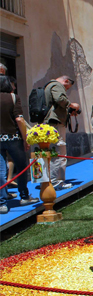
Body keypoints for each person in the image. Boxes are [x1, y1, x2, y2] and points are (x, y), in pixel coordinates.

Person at [0, 76, 38, 214]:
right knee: (21, 167)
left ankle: (2, 203)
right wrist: (25, 138)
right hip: (13, 138)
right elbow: (19, 119)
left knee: (0, 171)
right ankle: (24, 196)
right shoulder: (13, 98)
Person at [44, 75, 80, 190]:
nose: (66, 90)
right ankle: (57, 182)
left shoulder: (48, 86)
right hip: (56, 123)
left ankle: (48, 180)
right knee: (59, 152)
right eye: (67, 88)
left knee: (49, 152)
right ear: (65, 81)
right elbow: (60, 98)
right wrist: (71, 104)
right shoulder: (57, 85)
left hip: (49, 123)